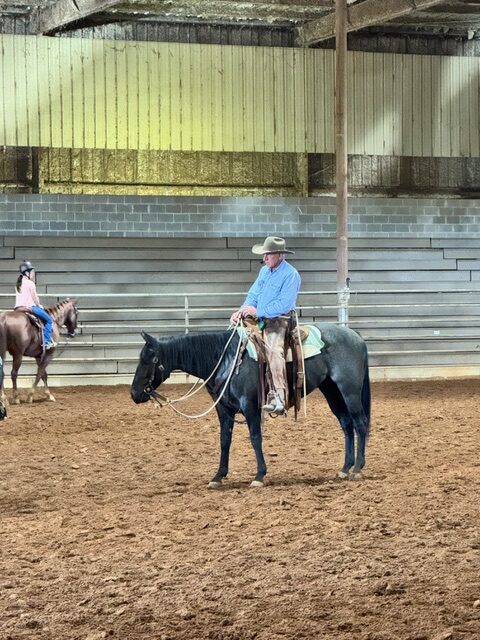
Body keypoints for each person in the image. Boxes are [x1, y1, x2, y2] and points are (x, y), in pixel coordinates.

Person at [230, 236, 301, 415]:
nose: (265, 258)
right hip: (260, 317)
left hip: (280, 320)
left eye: (268, 254)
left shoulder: (291, 275)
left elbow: (284, 304)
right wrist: (241, 311)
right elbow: (253, 295)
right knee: (233, 336)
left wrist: (257, 311)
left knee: (273, 350)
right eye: (264, 254)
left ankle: (279, 397)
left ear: (280, 255)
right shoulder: (264, 271)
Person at [15, 261, 56, 350]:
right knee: (49, 320)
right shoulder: (30, 283)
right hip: (30, 308)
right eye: (33, 272)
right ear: (27, 273)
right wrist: (39, 305)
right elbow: (35, 299)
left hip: (17, 309)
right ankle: (46, 341)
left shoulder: (18, 283)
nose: (33, 274)